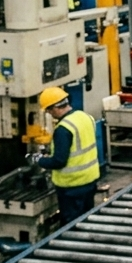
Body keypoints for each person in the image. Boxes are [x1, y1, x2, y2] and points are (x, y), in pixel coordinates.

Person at [30, 87, 100, 226]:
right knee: (86, 222)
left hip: (72, 188)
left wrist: (39, 160)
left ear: (55, 108)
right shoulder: (85, 117)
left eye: (49, 111)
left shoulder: (63, 129)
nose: (49, 114)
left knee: (71, 228)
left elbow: (59, 161)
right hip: (90, 182)